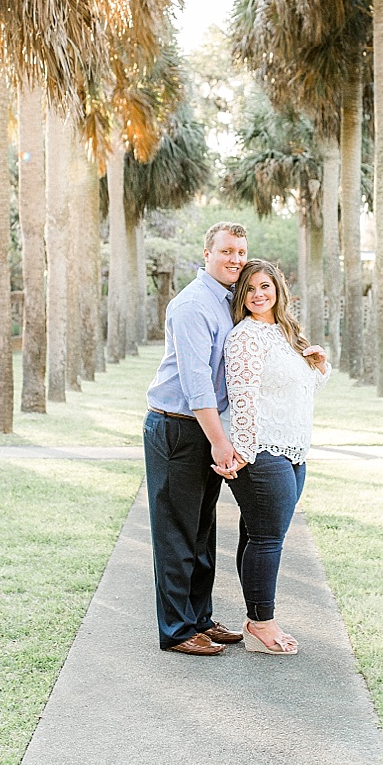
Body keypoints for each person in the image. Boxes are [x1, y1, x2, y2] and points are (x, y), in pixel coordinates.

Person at [142, 221, 250, 655]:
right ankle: (178, 630)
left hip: (204, 426)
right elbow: (196, 383)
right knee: (176, 534)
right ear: (207, 254)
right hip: (178, 428)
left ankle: (200, 618)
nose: (236, 260)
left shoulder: (226, 302)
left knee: (202, 532)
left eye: (241, 252)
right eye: (227, 251)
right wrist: (220, 442)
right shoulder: (192, 305)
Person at [221, 258, 329, 655]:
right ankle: (261, 624)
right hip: (262, 449)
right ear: (241, 296)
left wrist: (317, 367)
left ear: (278, 289)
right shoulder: (246, 336)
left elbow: (293, 393)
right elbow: (243, 395)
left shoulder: (285, 333)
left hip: (293, 449)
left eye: (265, 286)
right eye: (249, 289)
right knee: (268, 538)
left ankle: (255, 617)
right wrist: (245, 451)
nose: (258, 294)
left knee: (257, 534)